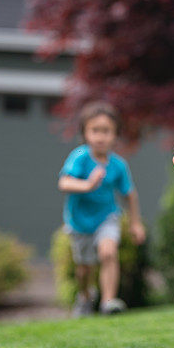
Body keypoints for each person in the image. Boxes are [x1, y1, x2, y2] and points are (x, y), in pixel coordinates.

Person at [58, 101, 147, 317]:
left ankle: (108, 302)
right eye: (95, 130)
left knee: (108, 253)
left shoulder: (118, 165)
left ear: (115, 135)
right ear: (85, 133)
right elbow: (64, 183)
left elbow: (129, 194)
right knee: (84, 269)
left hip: (107, 217)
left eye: (106, 131)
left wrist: (135, 223)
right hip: (79, 221)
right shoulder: (80, 157)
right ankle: (85, 296)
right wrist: (87, 185)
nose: (100, 136)